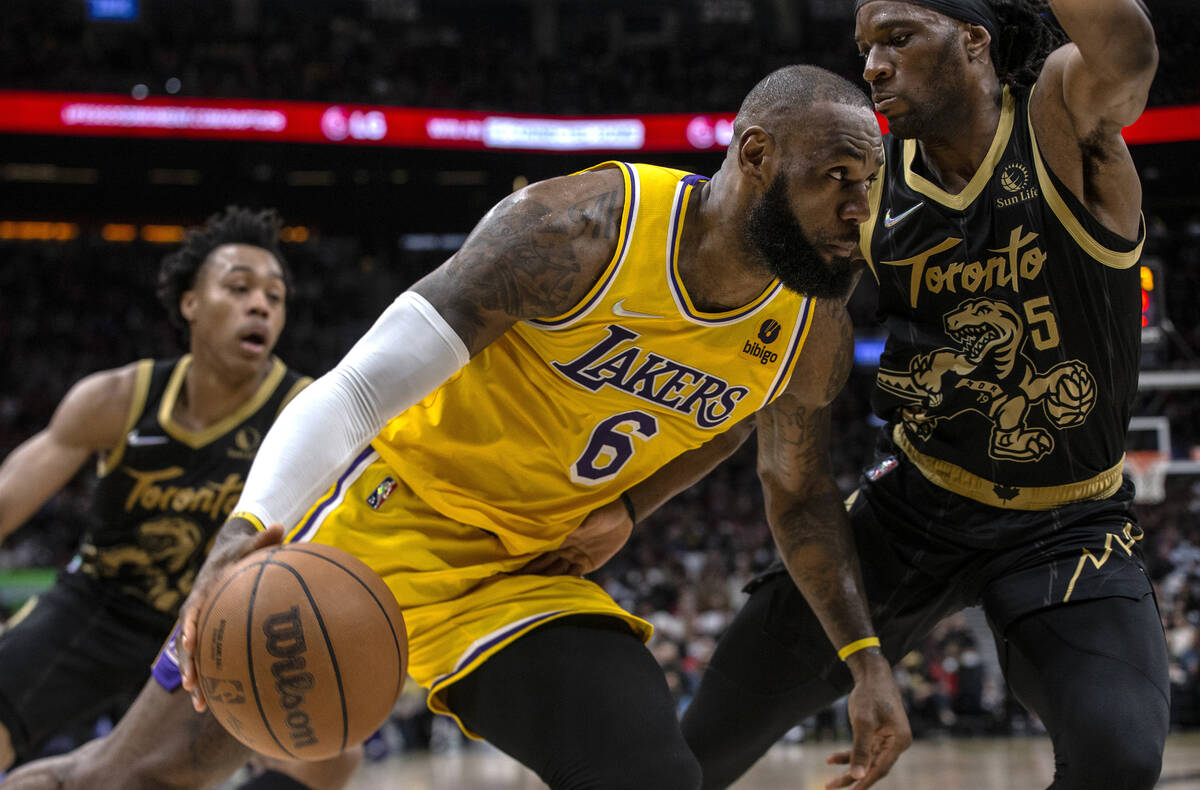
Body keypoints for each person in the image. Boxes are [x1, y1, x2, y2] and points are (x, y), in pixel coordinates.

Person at [2, 65, 910, 790]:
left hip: (521, 575)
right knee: (127, 778)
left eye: (867, 182)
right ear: (755, 155)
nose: (857, 207)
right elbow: (354, 393)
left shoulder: (811, 322)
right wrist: (239, 539)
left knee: (645, 771)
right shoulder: (577, 232)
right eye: (836, 178)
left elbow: (786, 479)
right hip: (375, 540)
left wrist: (640, 507)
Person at [675, 2, 1165, 789]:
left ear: (973, 40)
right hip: (913, 507)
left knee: (1119, 760)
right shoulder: (865, 194)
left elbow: (1127, 47)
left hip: (1069, 521)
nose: (871, 66)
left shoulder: (1054, 121)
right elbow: (787, 431)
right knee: (693, 750)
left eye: (897, 39)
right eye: (864, 46)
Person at [0, 207, 360, 790]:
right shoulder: (117, 397)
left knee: (331, 757)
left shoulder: (305, 411)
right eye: (238, 288)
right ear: (191, 303)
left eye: (275, 296)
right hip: (98, 604)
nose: (260, 305)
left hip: (214, 632)